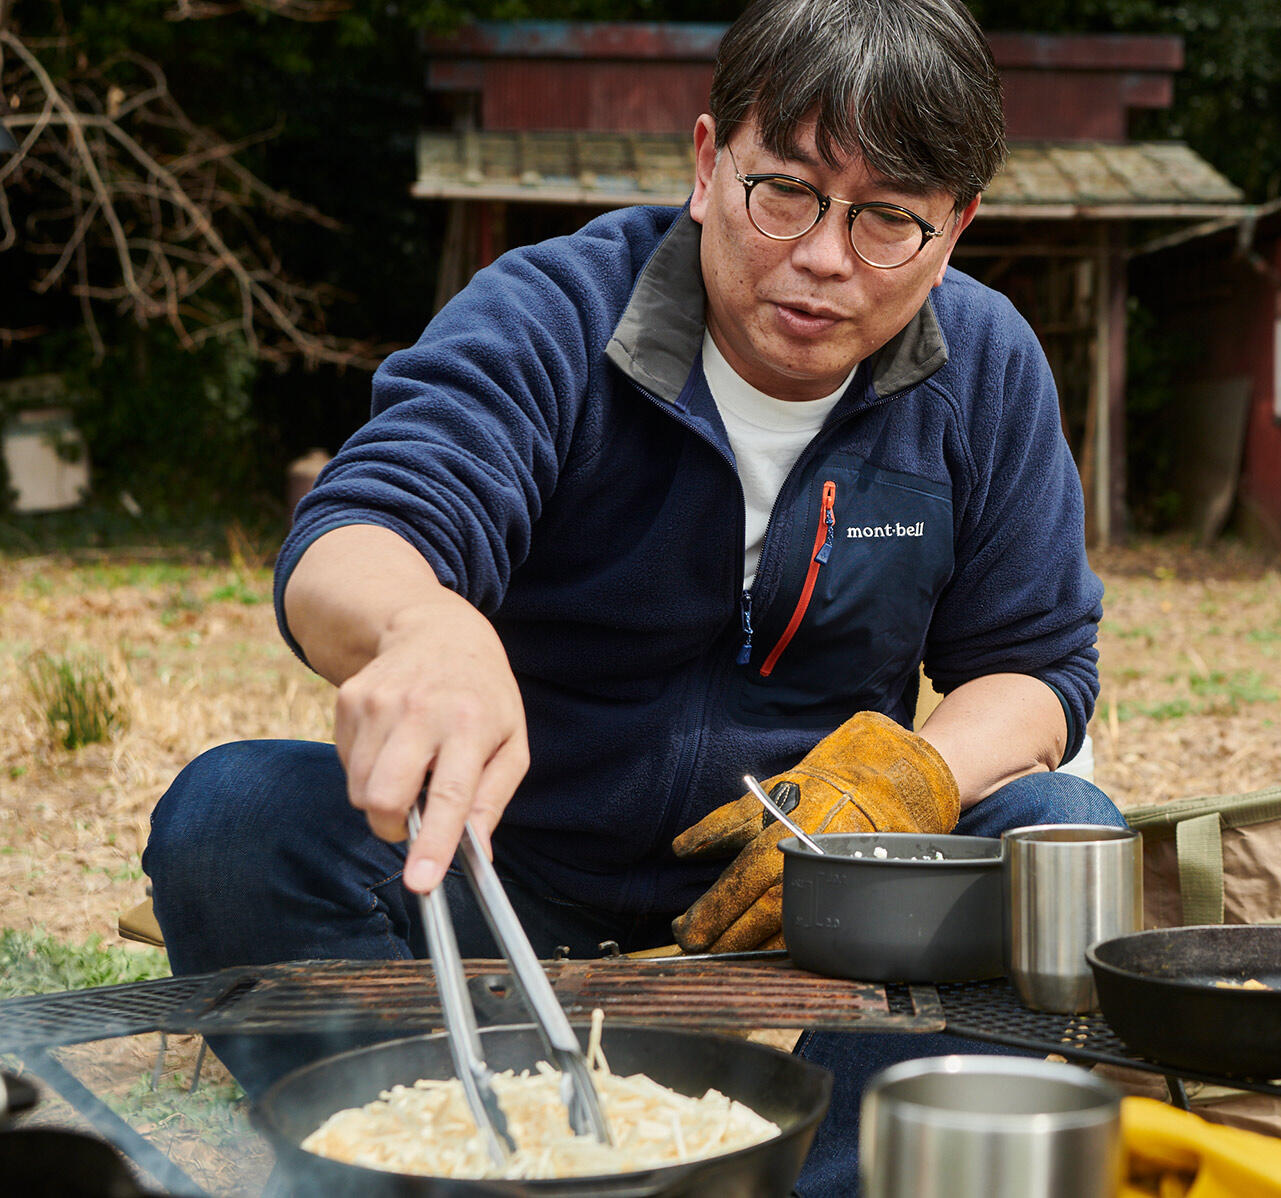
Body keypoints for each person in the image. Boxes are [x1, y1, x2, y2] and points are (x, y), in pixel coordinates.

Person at [143, 0, 1125, 1191]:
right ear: (709, 164)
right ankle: (447, 1153)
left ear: (956, 228)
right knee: (236, 815)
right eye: (787, 192)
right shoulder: (556, 309)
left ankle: (826, 1174)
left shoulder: (983, 368)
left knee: (1050, 837)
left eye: (889, 222)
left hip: (812, 892)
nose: (823, 257)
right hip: (507, 871)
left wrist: (917, 773)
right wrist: (427, 626)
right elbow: (360, 529)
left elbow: (1038, 664)